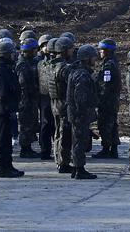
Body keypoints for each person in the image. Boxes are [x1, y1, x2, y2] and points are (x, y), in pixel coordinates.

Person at [66, 44, 99, 179]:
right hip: (80, 114)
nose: (95, 59)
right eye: (92, 57)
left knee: (77, 140)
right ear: (86, 58)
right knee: (80, 141)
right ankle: (79, 169)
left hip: (77, 113)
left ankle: (76, 167)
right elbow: (80, 97)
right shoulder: (82, 75)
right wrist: (82, 112)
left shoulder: (77, 72)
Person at [0, 39, 23, 178]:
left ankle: (8, 165)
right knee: (3, 139)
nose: (14, 55)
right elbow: (2, 91)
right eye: (11, 53)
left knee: (7, 138)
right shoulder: (0, 69)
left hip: (7, 107)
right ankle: (3, 167)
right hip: (3, 108)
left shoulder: (6, 67)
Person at [51, 36, 77, 174]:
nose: (72, 51)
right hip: (63, 104)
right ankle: (63, 163)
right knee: (64, 135)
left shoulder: (52, 65)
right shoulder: (64, 68)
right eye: (70, 49)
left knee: (58, 133)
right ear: (64, 50)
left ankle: (59, 160)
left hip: (55, 103)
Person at [93, 38, 121, 158]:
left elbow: (106, 84)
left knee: (105, 124)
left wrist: (99, 99)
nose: (100, 52)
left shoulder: (108, 65)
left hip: (107, 100)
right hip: (112, 99)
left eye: (102, 50)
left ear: (107, 51)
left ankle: (106, 149)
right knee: (112, 124)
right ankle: (113, 149)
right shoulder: (112, 62)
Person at [16, 37, 41, 158]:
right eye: (34, 49)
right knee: (26, 124)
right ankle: (25, 149)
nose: (36, 52)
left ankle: (28, 147)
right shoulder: (23, 65)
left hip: (30, 99)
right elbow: (24, 84)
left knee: (31, 123)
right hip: (26, 99)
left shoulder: (30, 62)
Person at [37, 35, 56, 160]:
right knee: (45, 124)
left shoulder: (56, 63)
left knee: (56, 124)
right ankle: (45, 150)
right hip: (44, 97)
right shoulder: (40, 63)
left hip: (55, 96)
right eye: (44, 45)